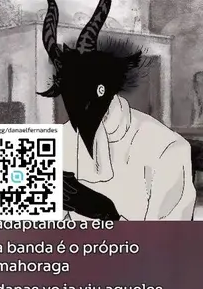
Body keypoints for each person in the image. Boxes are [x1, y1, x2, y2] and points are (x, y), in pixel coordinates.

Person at [39, 0, 196, 221]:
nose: (72, 104)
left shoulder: (167, 148)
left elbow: (171, 239)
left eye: (78, 90)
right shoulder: (58, 143)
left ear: (101, 88)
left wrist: (107, 214)